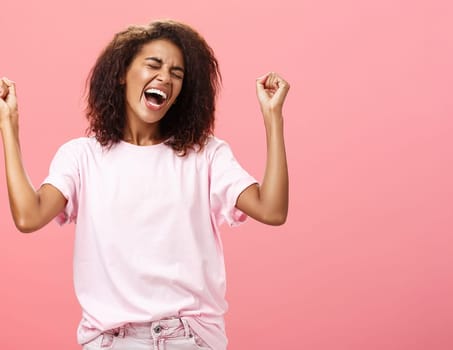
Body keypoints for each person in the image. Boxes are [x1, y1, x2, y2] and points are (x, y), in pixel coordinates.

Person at [0, 19, 289, 350]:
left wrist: (273, 118)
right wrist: (8, 125)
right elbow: (28, 215)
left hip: (189, 338)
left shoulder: (206, 154)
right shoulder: (82, 157)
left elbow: (272, 209)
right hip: (109, 340)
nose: (165, 77)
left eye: (177, 74)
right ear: (123, 73)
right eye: (154, 64)